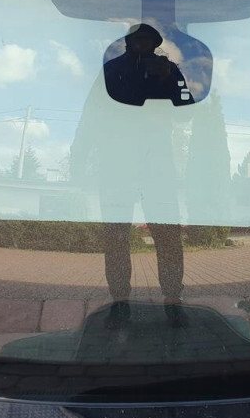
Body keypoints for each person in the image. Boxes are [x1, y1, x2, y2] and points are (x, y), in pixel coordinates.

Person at [71, 24, 191, 328]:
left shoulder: (168, 70)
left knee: (167, 233)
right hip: (118, 163)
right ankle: (119, 301)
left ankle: (173, 299)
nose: (142, 44)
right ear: (128, 41)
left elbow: (187, 111)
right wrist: (78, 156)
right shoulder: (111, 70)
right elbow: (90, 114)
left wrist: (169, 79)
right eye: (138, 39)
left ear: (155, 43)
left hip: (156, 164)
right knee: (115, 234)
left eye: (148, 40)